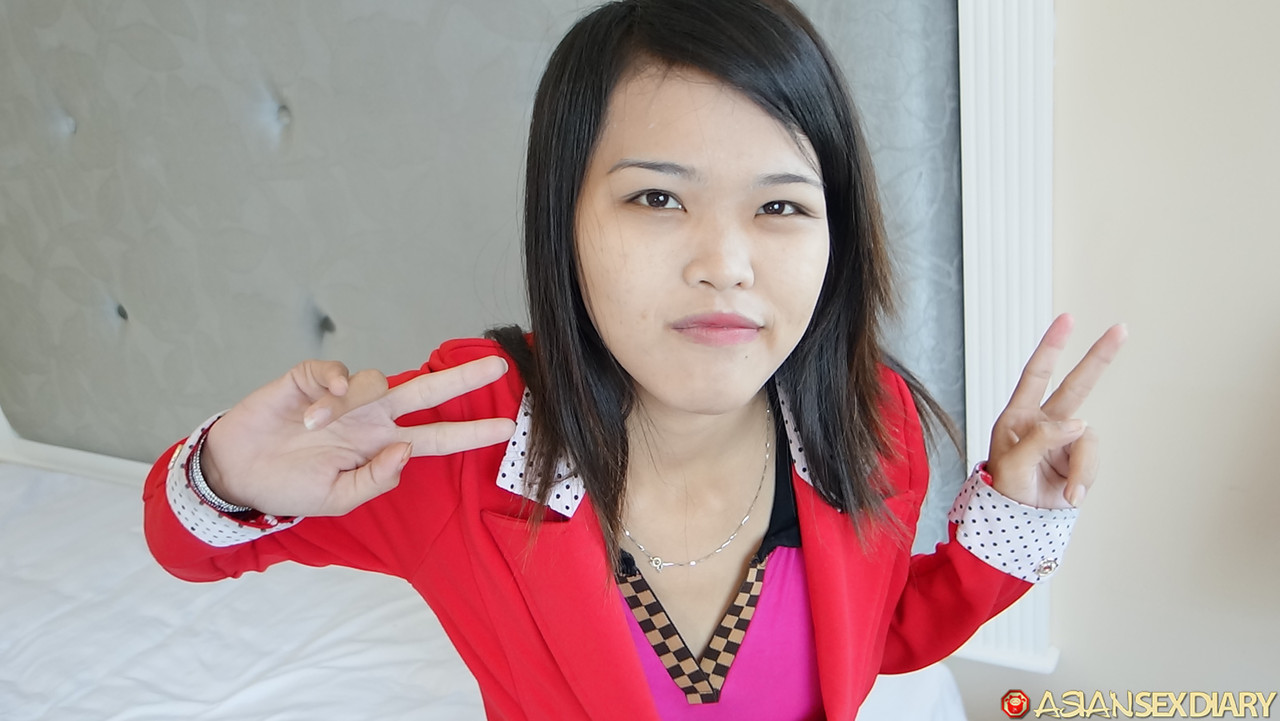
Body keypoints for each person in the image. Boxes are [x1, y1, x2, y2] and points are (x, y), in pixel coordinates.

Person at [142, 0, 1126, 719]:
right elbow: (190, 548)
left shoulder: (872, 423)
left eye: (780, 205)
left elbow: (880, 636)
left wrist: (1013, 516)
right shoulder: (464, 433)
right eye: (657, 198)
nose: (725, 265)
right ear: (563, 219)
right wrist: (228, 474)